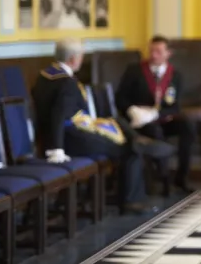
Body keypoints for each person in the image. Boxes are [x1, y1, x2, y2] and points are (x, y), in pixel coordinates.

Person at [31, 38, 160, 215]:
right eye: (81, 56)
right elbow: (58, 116)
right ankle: (131, 200)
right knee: (131, 149)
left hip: (56, 136)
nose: (81, 59)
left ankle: (142, 143)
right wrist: (56, 149)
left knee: (123, 134)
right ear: (73, 58)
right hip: (70, 139)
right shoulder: (66, 82)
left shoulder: (45, 75)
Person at [116, 35, 195, 193]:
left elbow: (175, 107)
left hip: (162, 118)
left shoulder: (175, 75)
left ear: (168, 53)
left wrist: (156, 115)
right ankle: (164, 178)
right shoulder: (134, 70)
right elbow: (120, 98)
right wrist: (132, 110)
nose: (154, 55)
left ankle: (182, 177)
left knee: (188, 126)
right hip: (140, 121)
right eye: (151, 51)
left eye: (158, 51)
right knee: (155, 132)